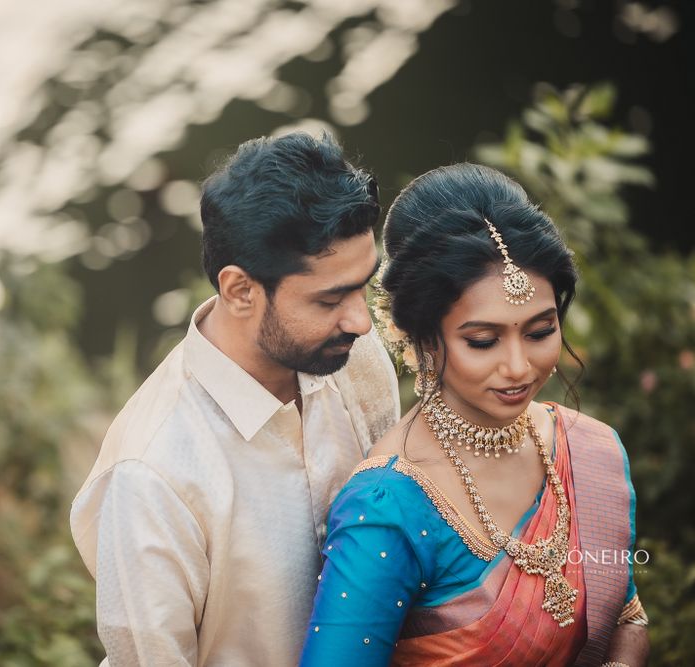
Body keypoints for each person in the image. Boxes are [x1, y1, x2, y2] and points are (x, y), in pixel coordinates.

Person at [70, 132, 400, 666]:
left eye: (364, 285)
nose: (361, 320)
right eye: (331, 298)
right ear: (241, 290)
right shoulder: (152, 477)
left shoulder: (349, 354)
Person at [300, 163, 649, 666]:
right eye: (482, 341)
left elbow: (625, 615)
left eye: (539, 331)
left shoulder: (587, 450)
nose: (518, 367)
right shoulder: (388, 509)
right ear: (421, 337)